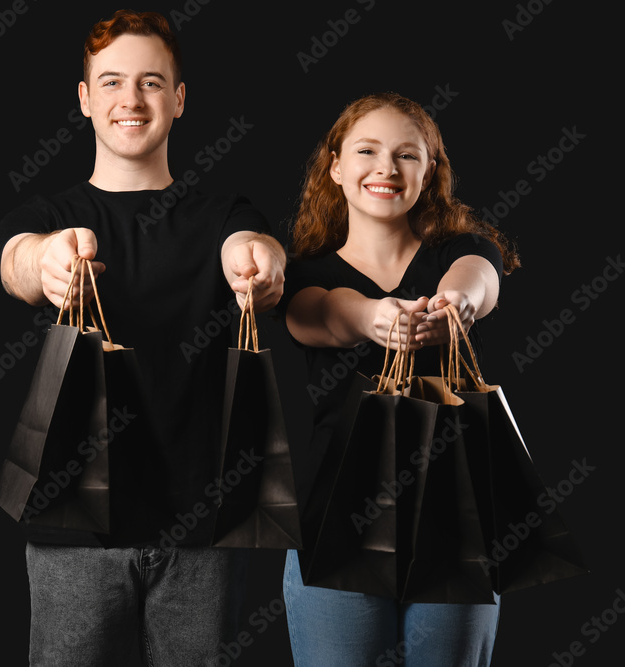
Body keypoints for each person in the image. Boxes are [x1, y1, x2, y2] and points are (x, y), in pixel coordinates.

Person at [0, 10, 286, 666]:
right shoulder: (48, 217)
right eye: (112, 82)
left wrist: (261, 262)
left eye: (152, 82)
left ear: (179, 99)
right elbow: (18, 261)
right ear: (84, 98)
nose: (131, 99)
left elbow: (256, 249)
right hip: (74, 527)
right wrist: (45, 264)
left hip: (203, 529)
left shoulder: (224, 214)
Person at [280, 92, 520, 665]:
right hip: (335, 523)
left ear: (429, 171)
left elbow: (478, 278)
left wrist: (457, 302)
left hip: (456, 524)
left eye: (407, 155)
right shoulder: (303, 274)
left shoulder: (458, 252)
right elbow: (324, 315)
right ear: (336, 166)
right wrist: (373, 317)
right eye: (368, 150)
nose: (387, 167)